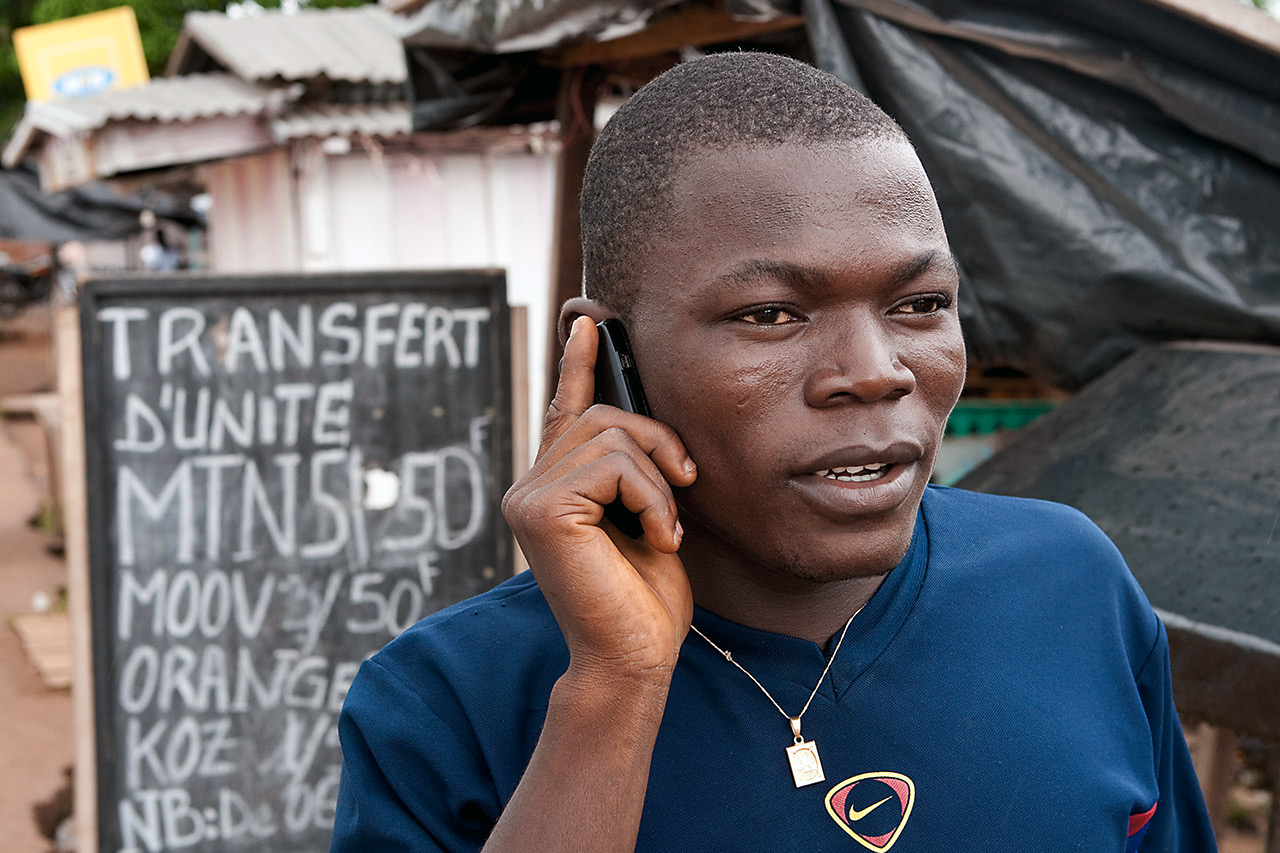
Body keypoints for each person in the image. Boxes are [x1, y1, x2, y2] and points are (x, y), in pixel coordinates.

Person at [330, 52, 1216, 852]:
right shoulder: (442, 702)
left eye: (919, 304)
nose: (875, 374)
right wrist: (614, 686)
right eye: (770, 314)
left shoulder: (1071, 586)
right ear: (607, 358)